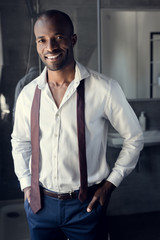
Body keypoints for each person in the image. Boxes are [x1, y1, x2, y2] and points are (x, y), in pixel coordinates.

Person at [11, 10, 144, 240]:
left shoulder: (105, 88)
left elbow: (134, 138)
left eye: (58, 37)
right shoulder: (28, 94)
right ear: (36, 44)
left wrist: (110, 184)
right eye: (42, 40)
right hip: (40, 206)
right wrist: (25, 186)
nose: (50, 47)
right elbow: (20, 142)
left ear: (73, 39)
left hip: (87, 206)